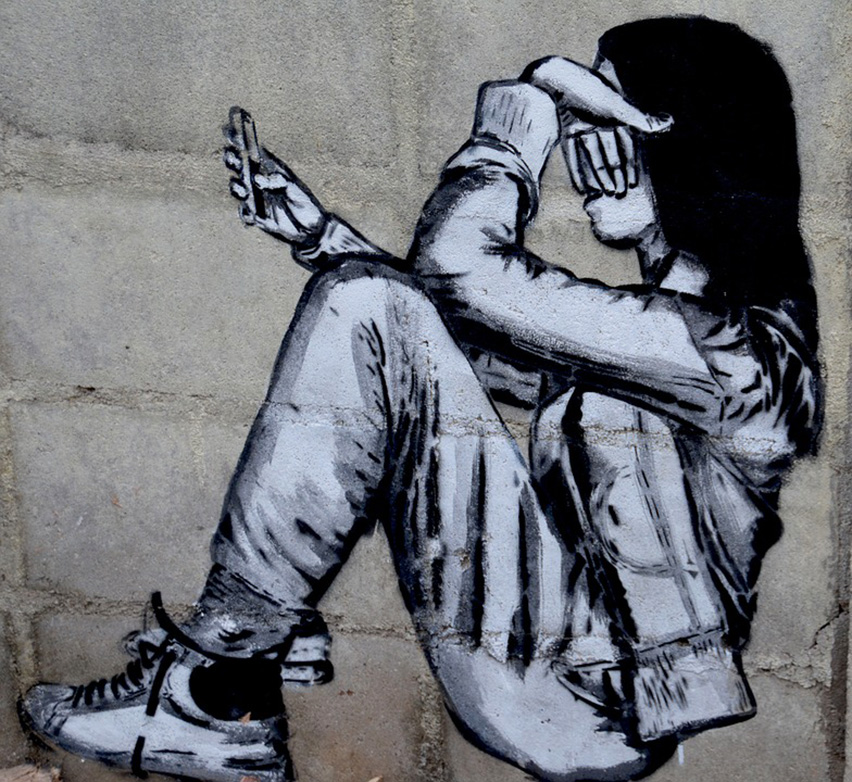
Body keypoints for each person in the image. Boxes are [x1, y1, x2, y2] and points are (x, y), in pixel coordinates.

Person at [21, 16, 820, 782]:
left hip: (591, 698)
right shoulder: (674, 337)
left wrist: (516, 126)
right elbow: (465, 353)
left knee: (370, 303)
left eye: (602, 119)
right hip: (569, 671)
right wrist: (325, 239)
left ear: (686, 141)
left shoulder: (740, 357)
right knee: (369, 301)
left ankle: (218, 687)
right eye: (576, 121)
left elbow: (459, 274)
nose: (580, 148)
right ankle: (229, 682)